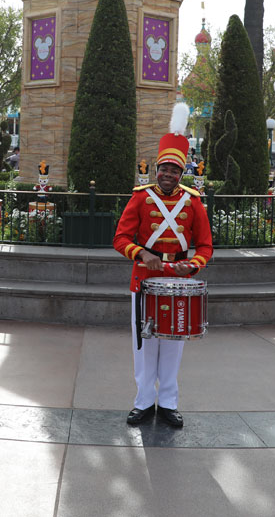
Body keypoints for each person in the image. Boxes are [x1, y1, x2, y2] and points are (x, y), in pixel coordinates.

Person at [113, 103, 213, 429]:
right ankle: (143, 402)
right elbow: (120, 238)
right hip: (144, 279)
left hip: (179, 280)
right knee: (144, 344)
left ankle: (168, 403)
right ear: (156, 168)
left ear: (181, 173)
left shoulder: (192, 202)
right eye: (164, 168)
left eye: (174, 170)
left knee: (173, 343)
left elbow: (206, 245)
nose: (168, 175)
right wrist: (142, 254)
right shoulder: (140, 198)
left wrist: (193, 266)